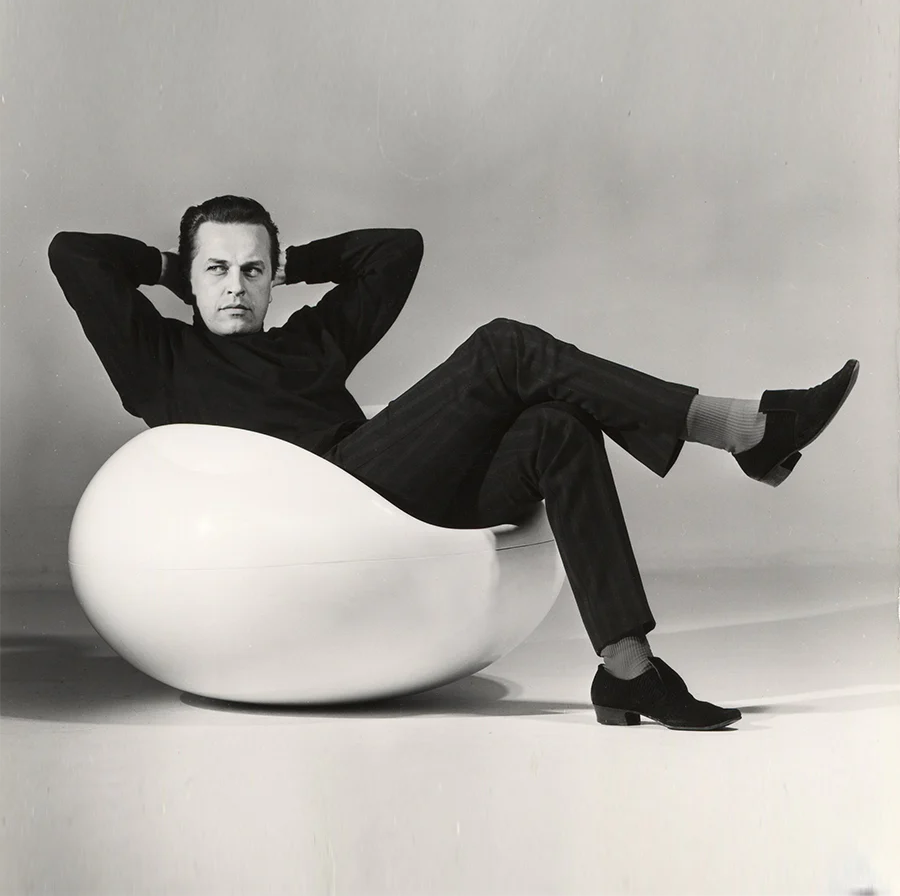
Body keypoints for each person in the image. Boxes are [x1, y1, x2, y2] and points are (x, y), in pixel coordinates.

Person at [48, 194, 859, 731]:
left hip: (385, 494)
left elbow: (396, 251)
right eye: (216, 269)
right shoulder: (158, 358)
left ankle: (627, 669)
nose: (236, 287)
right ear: (189, 279)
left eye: (254, 270)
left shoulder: (309, 341)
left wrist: (294, 261)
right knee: (505, 345)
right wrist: (167, 264)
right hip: (332, 501)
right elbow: (73, 255)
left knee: (555, 427)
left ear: (273, 280)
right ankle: (743, 429)